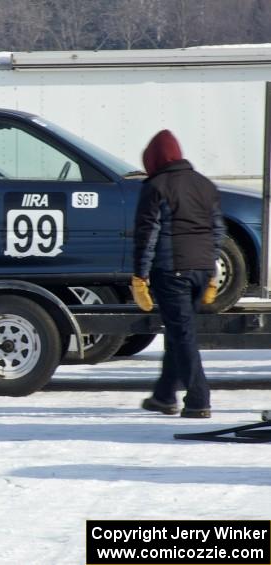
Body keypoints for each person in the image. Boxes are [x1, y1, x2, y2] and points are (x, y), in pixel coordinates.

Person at [131, 129, 224, 419]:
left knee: (182, 335)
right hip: (202, 270)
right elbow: (218, 231)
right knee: (178, 332)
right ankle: (164, 395)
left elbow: (148, 235)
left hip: (171, 272)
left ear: (154, 160)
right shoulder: (205, 185)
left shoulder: (156, 186)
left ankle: (198, 399)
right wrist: (211, 273)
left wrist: (139, 276)